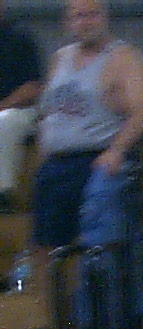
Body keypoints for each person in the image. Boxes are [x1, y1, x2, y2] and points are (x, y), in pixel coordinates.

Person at [31, 0, 143, 316]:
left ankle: (101, 325)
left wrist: (116, 151)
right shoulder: (60, 58)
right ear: (67, 21)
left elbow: (141, 113)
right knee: (47, 249)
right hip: (56, 165)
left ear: (104, 16)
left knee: (97, 252)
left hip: (97, 163)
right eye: (78, 15)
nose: (85, 21)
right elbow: (46, 112)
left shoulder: (124, 57)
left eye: (92, 14)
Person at [0, 0, 43, 213]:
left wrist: (2, 106)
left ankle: (3, 193)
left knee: (4, 121)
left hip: (21, 112)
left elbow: (33, 87)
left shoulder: (20, 38)